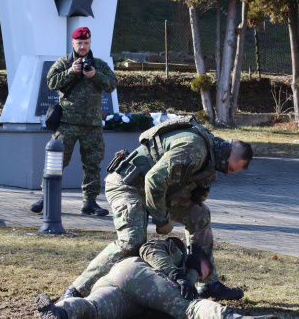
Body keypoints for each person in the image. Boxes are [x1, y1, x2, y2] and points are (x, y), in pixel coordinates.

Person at [60, 116, 254, 301]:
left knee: (199, 215)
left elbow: (179, 187)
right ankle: (77, 289)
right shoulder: (194, 148)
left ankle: (208, 284)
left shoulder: (211, 154)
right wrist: (162, 220)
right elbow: (154, 179)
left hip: (155, 191)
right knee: (131, 242)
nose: (231, 173)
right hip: (128, 186)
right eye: (232, 168)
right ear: (229, 154)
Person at [36, 238, 276, 319]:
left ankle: (60, 312)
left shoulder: (188, 273)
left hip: (122, 286)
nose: (207, 277)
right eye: (207, 271)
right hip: (135, 272)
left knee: (93, 309)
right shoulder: (177, 250)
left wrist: (187, 277)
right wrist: (179, 275)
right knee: (190, 309)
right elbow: (149, 249)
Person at [30, 26, 118, 216]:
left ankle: (90, 202)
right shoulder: (63, 62)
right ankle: (46, 198)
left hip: (92, 125)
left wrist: (95, 75)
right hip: (67, 123)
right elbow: (51, 82)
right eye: (79, 43)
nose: (83, 46)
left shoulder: (99, 65)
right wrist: (70, 72)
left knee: (92, 164)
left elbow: (112, 85)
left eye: (86, 43)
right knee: (56, 161)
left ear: (90, 43)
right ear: (73, 43)